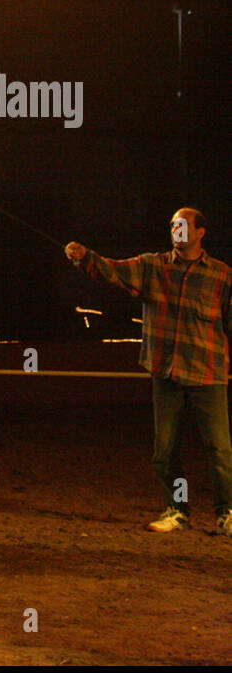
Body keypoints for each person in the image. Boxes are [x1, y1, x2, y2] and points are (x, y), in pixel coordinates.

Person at [66, 207, 232, 535]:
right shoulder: (152, 267)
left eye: (183, 225)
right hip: (166, 373)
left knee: (219, 449)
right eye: (172, 225)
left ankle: (227, 512)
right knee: (165, 450)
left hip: (208, 374)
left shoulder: (222, 276)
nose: (176, 230)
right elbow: (112, 271)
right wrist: (85, 258)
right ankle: (178, 510)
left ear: (200, 232)